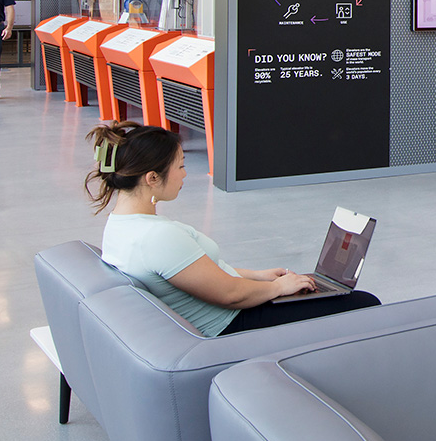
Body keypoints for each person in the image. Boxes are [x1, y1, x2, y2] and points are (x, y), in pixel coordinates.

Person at [86, 121, 380, 335]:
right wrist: (277, 287)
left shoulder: (121, 226)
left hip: (230, 310)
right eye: (180, 166)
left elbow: (196, 274)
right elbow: (230, 295)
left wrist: (260, 276)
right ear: (152, 178)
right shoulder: (156, 237)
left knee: (319, 293)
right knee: (365, 303)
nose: (184, 174)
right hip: (232, 325)